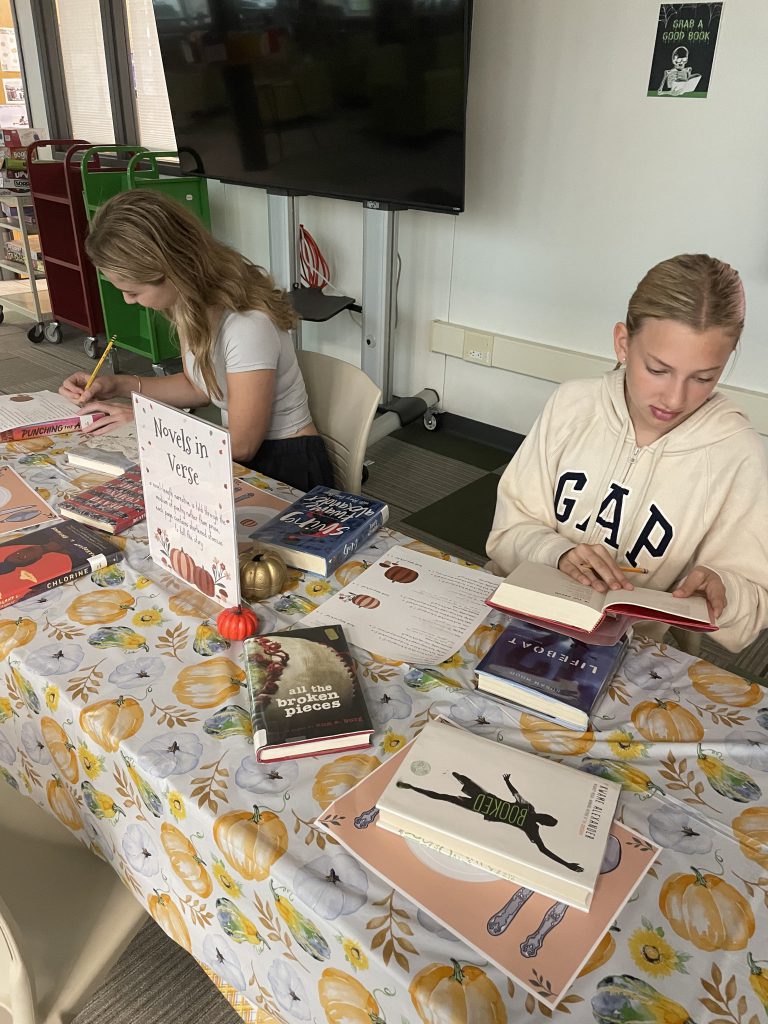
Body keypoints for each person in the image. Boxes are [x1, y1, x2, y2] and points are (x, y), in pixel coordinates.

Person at [486, 254, 768, 653]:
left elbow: (754, 608)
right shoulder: (572, 404)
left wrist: (728, 591)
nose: (674, 398)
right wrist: (558, 552)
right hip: (520, 614)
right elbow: (506, 533)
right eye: (657, 369)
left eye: (703, 378)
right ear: (623, 343)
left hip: (630, 650)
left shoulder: (736, 453)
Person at [59, 190, 335, 493]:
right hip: (234, 452)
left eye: (134, 292)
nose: (128, 301)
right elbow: (198, 388)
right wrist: (117, 386)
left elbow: (242, 445)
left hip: (284, 467)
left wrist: (146, 425)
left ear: (173, 270)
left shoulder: (246, 324)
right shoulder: (189, 304)